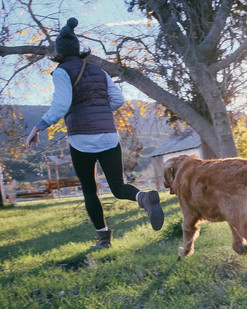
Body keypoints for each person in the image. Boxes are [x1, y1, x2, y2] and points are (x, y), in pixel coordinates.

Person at [25, 17, 164, 249]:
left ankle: (103, 240)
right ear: (78, 49)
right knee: (118, 187)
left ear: (58, 52)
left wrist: (37, 127)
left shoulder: (61, 72)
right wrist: (99, 109)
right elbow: (118, 100)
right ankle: (144, 198)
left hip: (81, 139)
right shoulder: (97, 69)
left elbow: (61, 106)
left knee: (90, 189)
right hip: (109, 135)